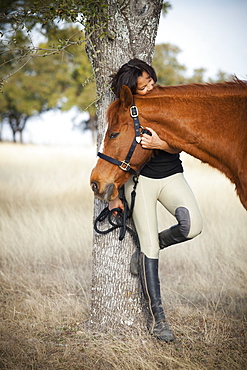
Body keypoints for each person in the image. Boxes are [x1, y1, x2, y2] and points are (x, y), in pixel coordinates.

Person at [109, 59, 203, 342]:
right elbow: (111, 152)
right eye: (144, 85)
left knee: (193, 226)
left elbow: (185, 140)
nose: (151, 85)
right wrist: (114, 196)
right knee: (148, 248)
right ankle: (159, 320)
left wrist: (161, 145)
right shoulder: (125, 113)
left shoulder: (167, 101)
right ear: (131, 91)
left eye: (150, 79)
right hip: (141, 183)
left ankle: (155, 245)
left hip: (172, 175)